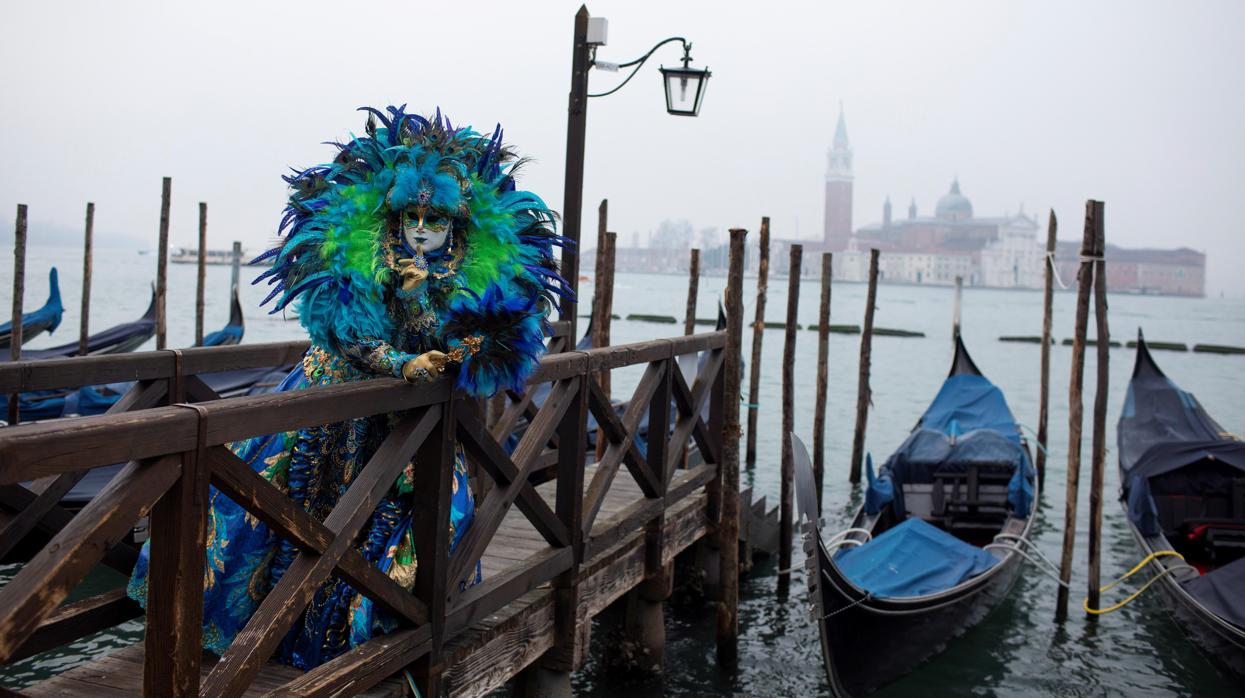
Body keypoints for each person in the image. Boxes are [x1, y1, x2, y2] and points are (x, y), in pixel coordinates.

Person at [128, 104, 572, 669]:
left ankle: (378, 630)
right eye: (410, 217)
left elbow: (477, 343)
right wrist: (401, 355)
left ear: (455, 225)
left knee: (399, 526)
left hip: (414, 429)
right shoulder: (357, 260)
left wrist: (451, 342)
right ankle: (263, 631)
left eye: (433, 221)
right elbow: (348, 337)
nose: (419, 230)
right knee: (286, 515)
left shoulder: (473, 275)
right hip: (335, 406)